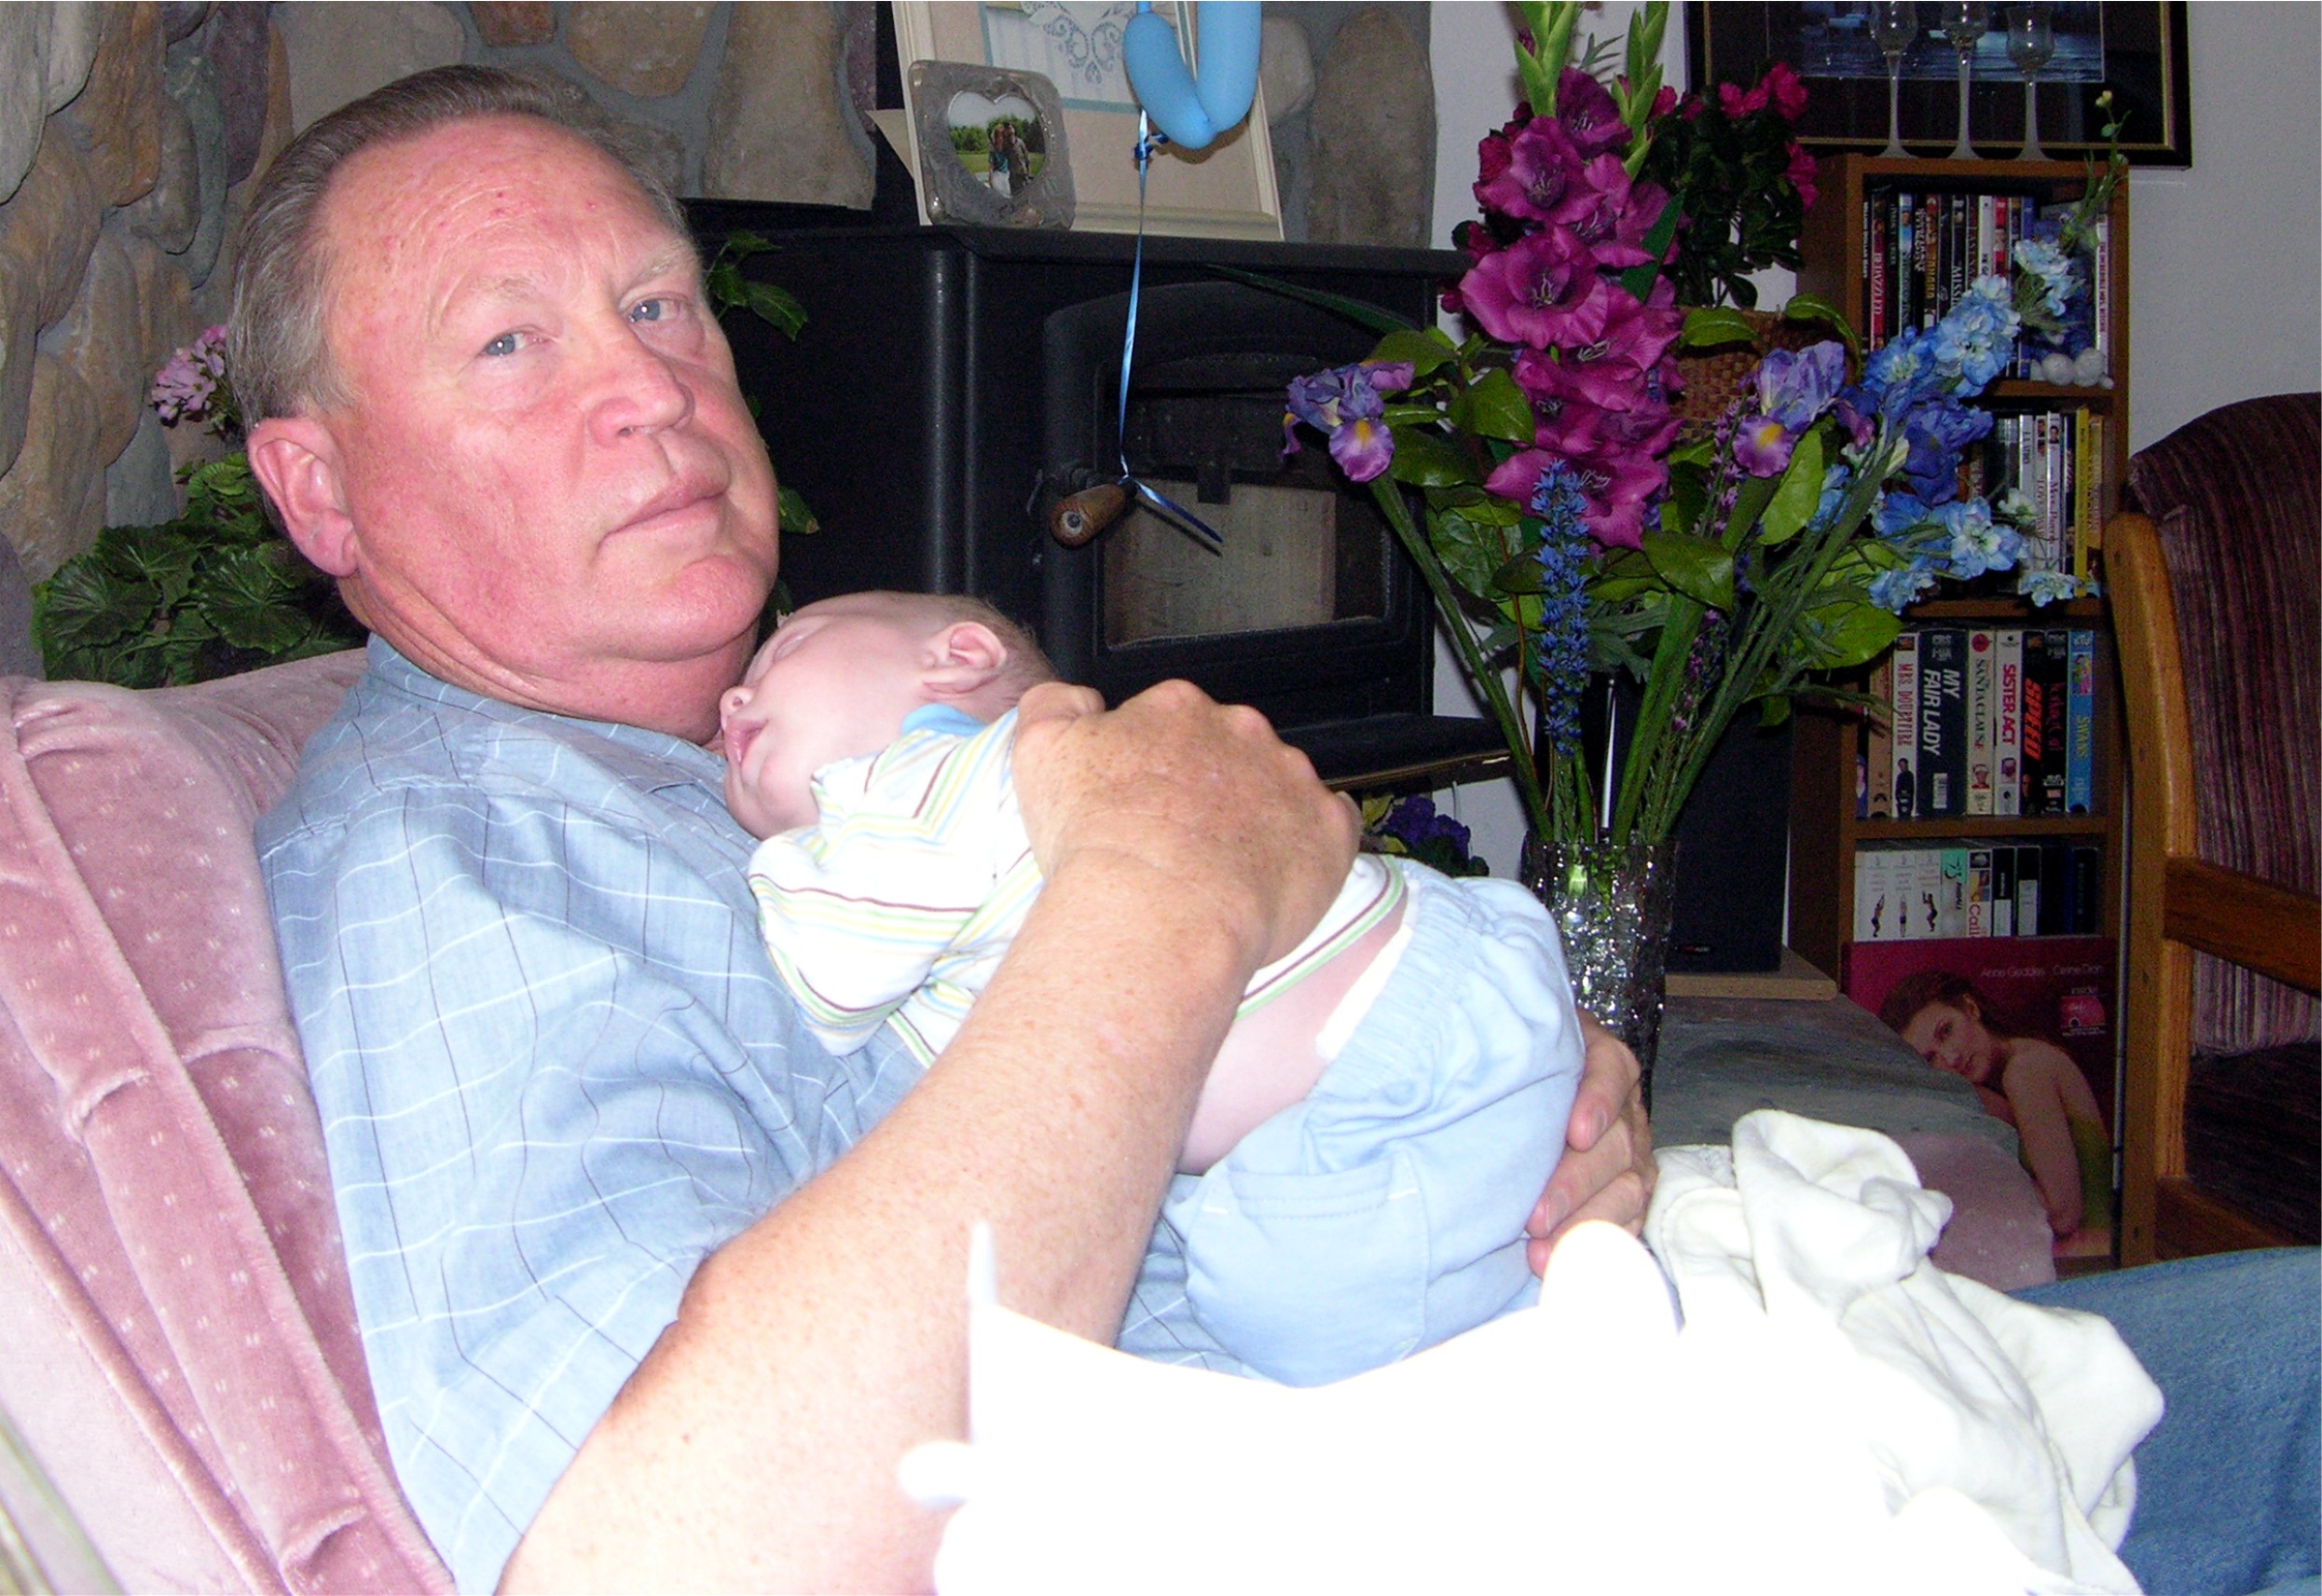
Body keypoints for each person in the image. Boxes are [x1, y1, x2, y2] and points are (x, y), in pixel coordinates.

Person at [234, 66, 1654, 1592]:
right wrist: (1165, 888)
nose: (651, 386)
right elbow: (680, 1545)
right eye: (508, 342)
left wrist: (1470, 1107)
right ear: (320, 493)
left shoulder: (765, 771)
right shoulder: (453, 863)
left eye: (656, 307)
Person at [723, 590, 1583, 1384]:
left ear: (959, 657)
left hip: (1384, 1058)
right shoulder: (1023, 802)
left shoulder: (934, 771)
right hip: (1403, 1006)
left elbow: (832, 983)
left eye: (784, 650)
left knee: (1316, 1322)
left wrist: (773, 864)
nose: (734, 699)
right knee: (1300, 1291)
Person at [1881, 970, 2109, 1251]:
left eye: (1946, 1031)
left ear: (1970, 1008)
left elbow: (2062, 1214)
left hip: (2086, 1259)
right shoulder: (1995, 1086)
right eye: (1931, 1058)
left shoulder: (2025, 1071)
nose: (1951, 1057)